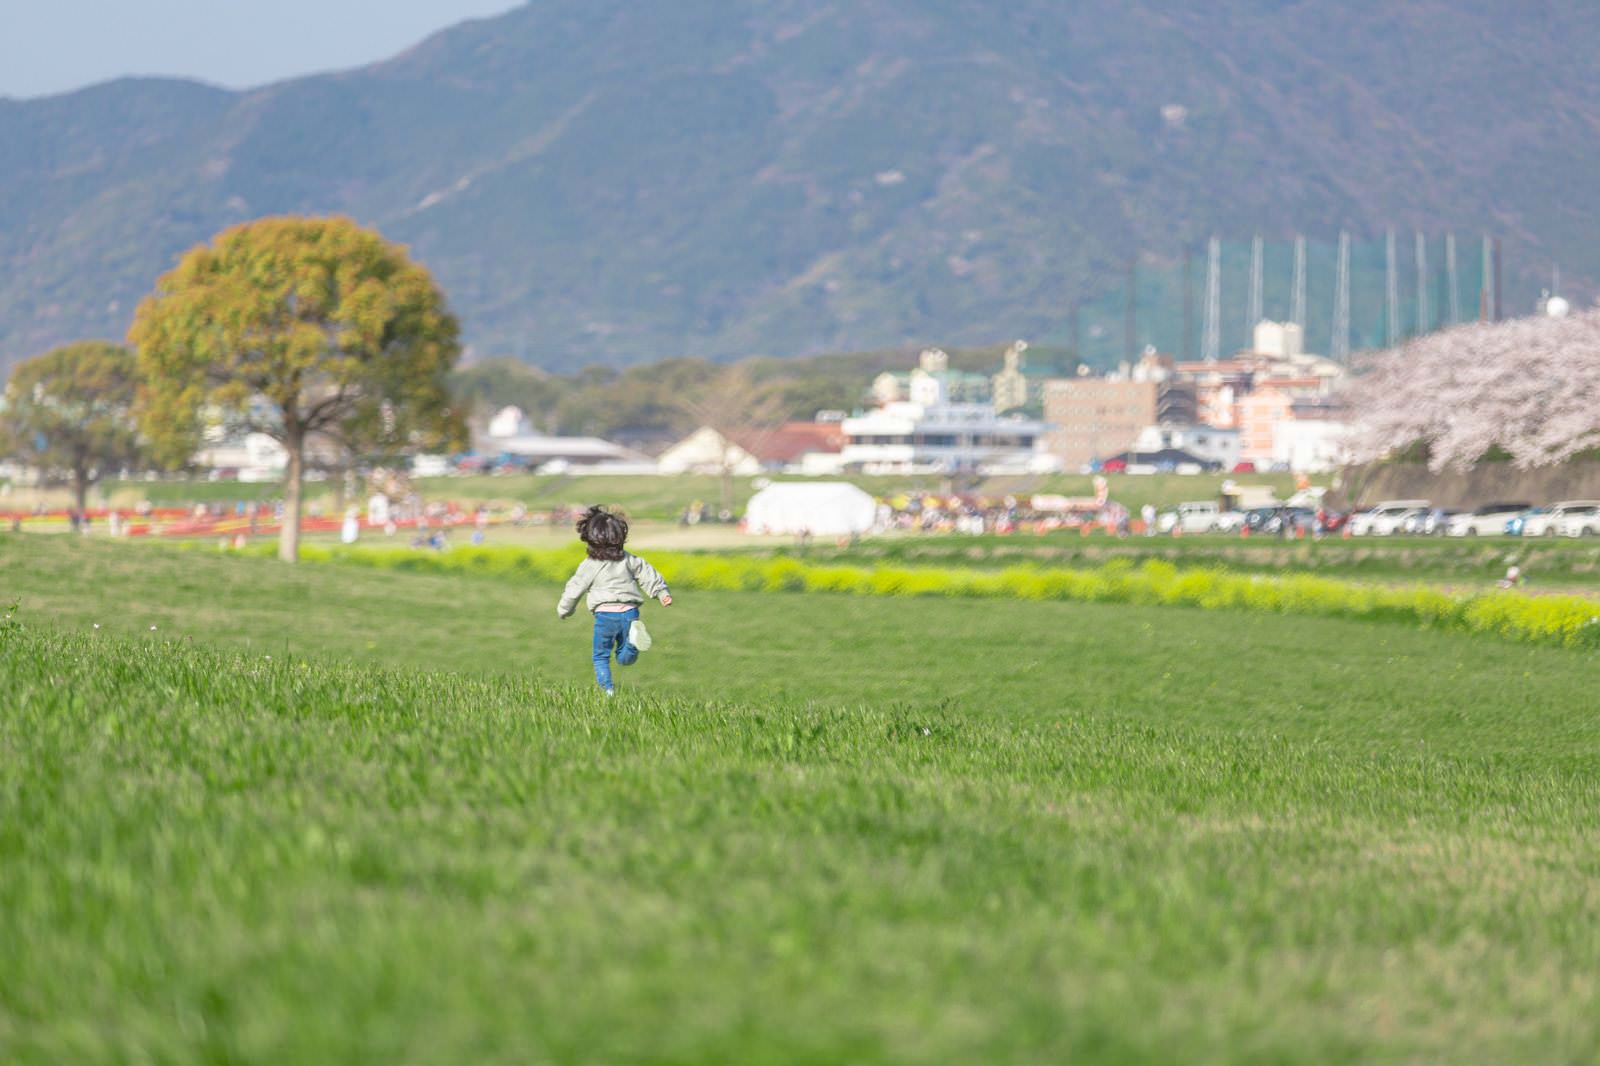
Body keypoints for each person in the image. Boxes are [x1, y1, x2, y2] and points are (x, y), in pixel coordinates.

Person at [557, 505, 672, 696]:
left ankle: (608, 692)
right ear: (621, 537)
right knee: (624, 658)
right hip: (630, 613)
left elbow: (574, 588)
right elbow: (647, 573)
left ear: (590, 538)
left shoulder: (590, 565)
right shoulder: (629, 560)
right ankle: (633, 643)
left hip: (605, 615)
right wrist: (661, 593)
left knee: (601, 656)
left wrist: (564, 609)